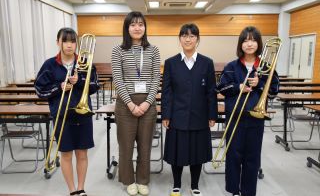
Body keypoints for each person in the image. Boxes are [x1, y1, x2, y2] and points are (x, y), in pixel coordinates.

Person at [35, 27, 100, 196]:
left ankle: (81, 188)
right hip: (61, 115)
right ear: (58, 42)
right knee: (65, 155)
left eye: (73, 41)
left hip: (82, 114)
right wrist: (59, 86)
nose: (69, 45)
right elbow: (40, 90)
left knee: (82, 154)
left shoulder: (85, 62)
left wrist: (79, 81)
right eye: (65, 41)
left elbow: (94, 86)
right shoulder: (49, 65)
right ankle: (72, 190)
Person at [217, 26, 280, 196]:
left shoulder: (266, 66)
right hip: (235, 116)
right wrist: (238, 87)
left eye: (252, 40)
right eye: (245, 40)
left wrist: (260, 83)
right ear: (241, 44)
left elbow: (274, 90)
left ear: (258, 43)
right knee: (233, 156)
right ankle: (233, 191)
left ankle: (248, 191)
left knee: (252, 158)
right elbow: (221, 87)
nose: (249, 44)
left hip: (256, 119)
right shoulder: (231, 66)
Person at [161, 23, 218, 196]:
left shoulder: (207, 63)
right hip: (177, 115)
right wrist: (166, 114)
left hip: (199, 116)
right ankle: (176, 184)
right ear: (179, 39)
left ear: (198, 40)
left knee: (197, 152)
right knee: (177, 152)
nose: (188, 39)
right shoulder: (170, 63)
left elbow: (211, 91)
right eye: (184, 35)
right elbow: (167, 92)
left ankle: (195, 185)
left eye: (192, 36)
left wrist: (212, 114)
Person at [111, 11, 160, 196]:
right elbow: (118, 79)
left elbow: (156, 78)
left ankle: (142, 180)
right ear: (127, 27)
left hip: (148, 103)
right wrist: (131, 104)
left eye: (141, 24)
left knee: (145, 146)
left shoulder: (153, 50)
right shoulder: (118, 50)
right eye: (133, 24)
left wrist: (147, 103)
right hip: (125, 104)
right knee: (126, 146)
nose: (137, 27)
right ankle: (128, 180)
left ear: (145, 27)